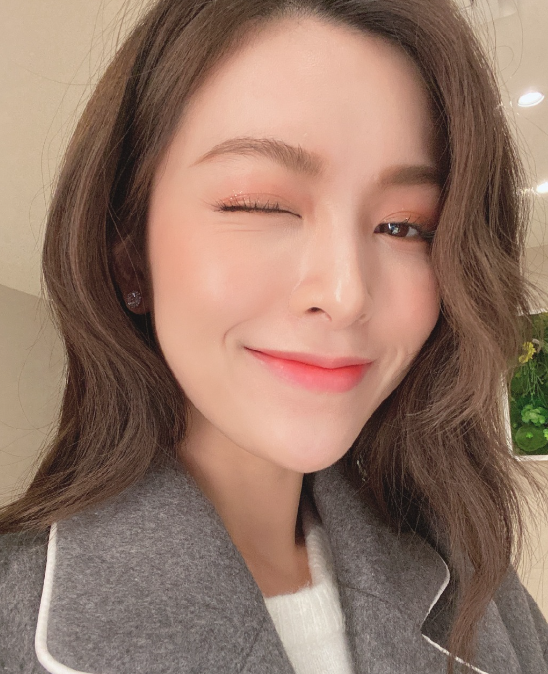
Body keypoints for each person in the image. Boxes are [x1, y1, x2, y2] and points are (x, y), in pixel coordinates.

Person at [1, 0, 548, 672]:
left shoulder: (481, 586)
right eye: (260, 205)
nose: (346, 295)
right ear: (129, 258)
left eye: (406, 226)